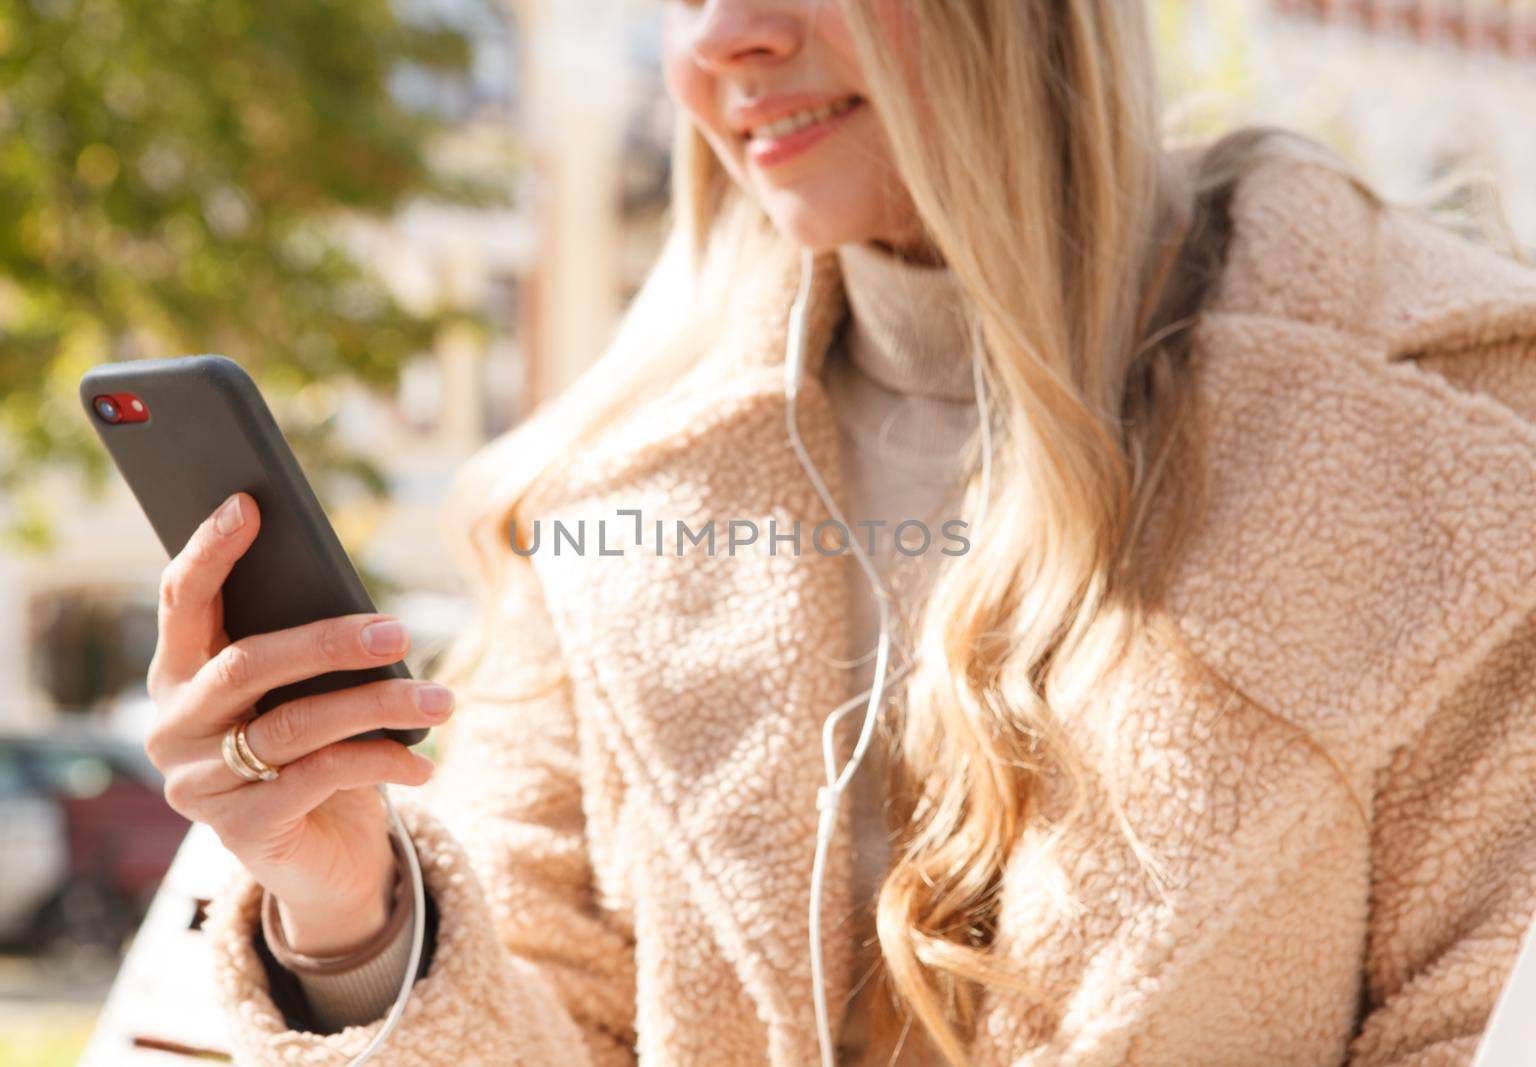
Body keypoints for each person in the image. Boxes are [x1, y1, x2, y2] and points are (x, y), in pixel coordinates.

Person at [140, 1, 1536, 1064]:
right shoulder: (610, 493)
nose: (720, 44)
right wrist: (351, 914)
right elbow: (540, 1015)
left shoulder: (1459, 450)